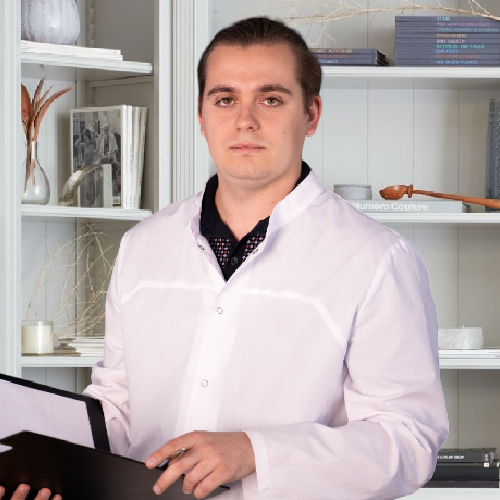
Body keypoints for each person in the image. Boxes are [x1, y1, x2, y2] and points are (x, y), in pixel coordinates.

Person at [2, 16, 448, 500]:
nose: (245, 121)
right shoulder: (143, 246)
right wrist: (47, 471)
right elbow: (118, 409)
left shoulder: (377, 259)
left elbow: (409, 441)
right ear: (201, 116)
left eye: (271, 99)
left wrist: (256, 451)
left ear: (311, 114)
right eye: (225, 99)